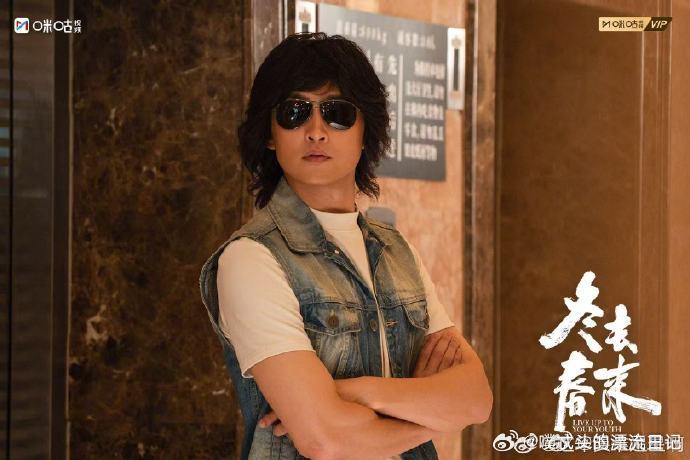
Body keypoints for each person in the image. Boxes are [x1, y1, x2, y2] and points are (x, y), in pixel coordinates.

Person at [199, 32, 492, 460]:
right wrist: (437, 413)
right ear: (269, 133)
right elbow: (324, 439)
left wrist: (363, 393)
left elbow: (476, 399)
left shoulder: (396, 251)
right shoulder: (251, 258)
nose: (316, 132)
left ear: (364, 130)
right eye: (295, 112)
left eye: (337, 113)